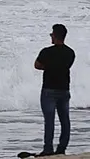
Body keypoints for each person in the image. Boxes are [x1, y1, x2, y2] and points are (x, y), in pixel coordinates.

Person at [34, 24, 75, 156]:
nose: (51, 36)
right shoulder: (70, 52)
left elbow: (37, 65)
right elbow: (66, 65)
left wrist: (49, 67)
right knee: (65, 120)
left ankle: (48, 149)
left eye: (52, 34)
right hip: (64, 89)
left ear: (55, 36)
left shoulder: (46, 52)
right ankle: (62, 148)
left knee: (49, 120)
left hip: (49, 90)